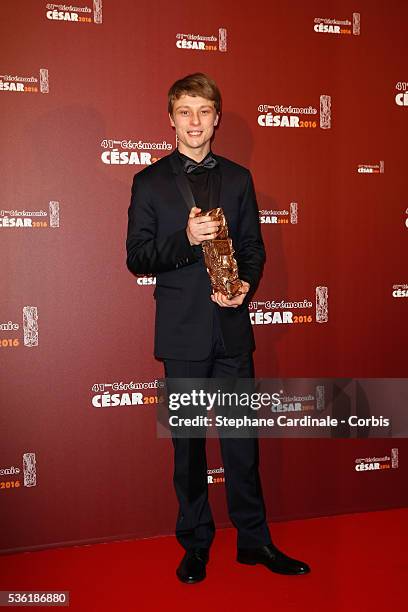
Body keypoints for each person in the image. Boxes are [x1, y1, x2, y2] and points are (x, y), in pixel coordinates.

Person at [126, 73, 310, 583]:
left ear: (217, 119)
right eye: (185, 111)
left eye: (204, 112)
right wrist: (185, 239)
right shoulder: (149, 182)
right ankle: (196, 544)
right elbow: (136, 258)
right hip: (182, 336)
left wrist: (245, 287)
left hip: (231, 330)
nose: (195, 122)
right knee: (187, 449)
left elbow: (253, 247)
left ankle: (255, 542)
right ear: (170, 118)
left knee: (241, 446)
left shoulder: (239, 178)